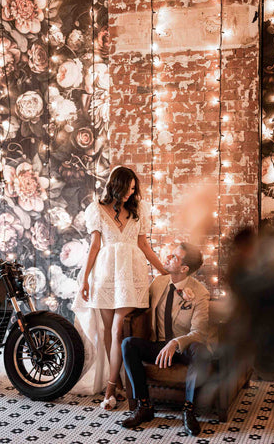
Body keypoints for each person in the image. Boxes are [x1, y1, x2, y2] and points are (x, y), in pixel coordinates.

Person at [72, 166, 167, 409]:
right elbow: (94, 247)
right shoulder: (96, 209)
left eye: (134, 189)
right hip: (104, 275)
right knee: (107, 331)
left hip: (131, 275)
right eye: (127, 189)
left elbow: (144, 245)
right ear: (116, 185)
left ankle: (110, 390)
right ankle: (118, 382)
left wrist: (163, 270)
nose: (130, 194)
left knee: (116, 331)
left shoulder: (139, 210)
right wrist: (84, 279)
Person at [121, 242, 210, 436]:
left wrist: (175, 343)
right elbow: (139, 300)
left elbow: (199, 332)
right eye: (170, 254)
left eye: (174, 257)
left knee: (201, 350)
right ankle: (144, 406)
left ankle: (189, 410)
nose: (168, 258)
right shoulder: (158, 283)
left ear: (184, 268)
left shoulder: (200, 293)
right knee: (128, 344)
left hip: (184, 347)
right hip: (158, 345)